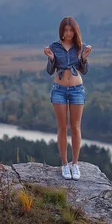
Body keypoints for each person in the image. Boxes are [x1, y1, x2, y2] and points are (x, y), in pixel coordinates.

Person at [44, 16, 92, 180]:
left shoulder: (80, 47)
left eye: (71, 30)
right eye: (66, 30)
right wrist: (51, 59)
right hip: (59, 90)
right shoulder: (54, 47)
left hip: (77, 90)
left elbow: (84, 70)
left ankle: (75, 164)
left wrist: (84, 58)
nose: (69, 33)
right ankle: (64, 164)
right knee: (62, 127)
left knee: (76, 127)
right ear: (61, 31)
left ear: (75, 31)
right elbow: (50, 70)